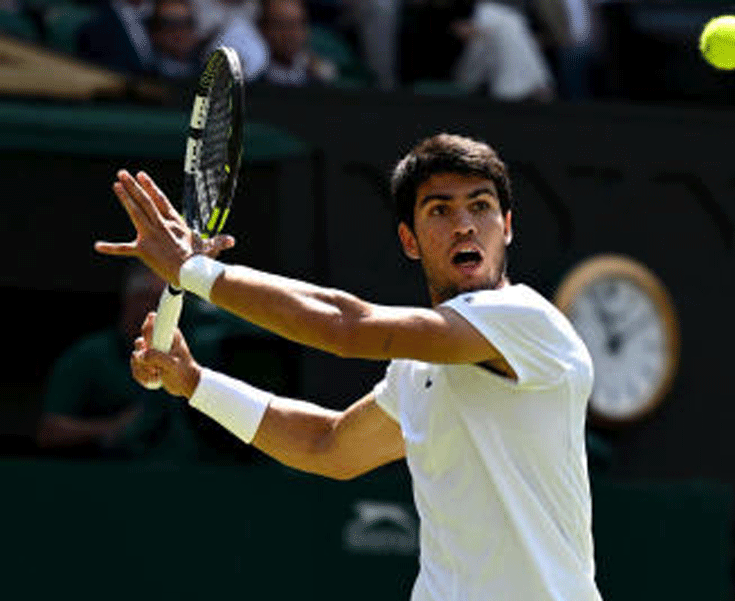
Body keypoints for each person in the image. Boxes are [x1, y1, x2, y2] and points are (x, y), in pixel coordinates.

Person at [94, 133, 603, 600]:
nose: (465, 224)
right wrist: (196, 383)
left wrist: (195, 270)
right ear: (410, 239)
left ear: (507, 228)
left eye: (482, 206)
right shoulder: (417, 366)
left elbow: (347, 327)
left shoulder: (527, 321)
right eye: (440, 210)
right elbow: (328, 446)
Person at [36, 264, 199, 461]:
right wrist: (115, 427)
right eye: (153, 300)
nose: (161, 312)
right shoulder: (89, 356)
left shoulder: (190, 354)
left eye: (169, 305)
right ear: (131, 299)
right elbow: (50, 431)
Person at [257, 0, 337, 86]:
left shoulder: (317, 74)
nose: (291, 34)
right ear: (264, 28)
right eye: (282, 26)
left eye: (297, 25)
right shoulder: (252, 75)